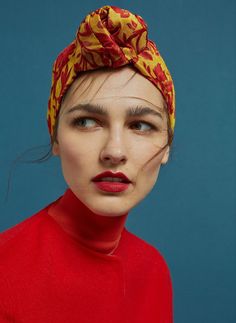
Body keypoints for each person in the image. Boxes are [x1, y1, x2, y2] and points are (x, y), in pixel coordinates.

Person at [0, 5, 175, 323]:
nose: (114, 151)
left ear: (167, 147)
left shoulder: (154, 270)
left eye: (140, 125)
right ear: (55, 139)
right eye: (86, 122)